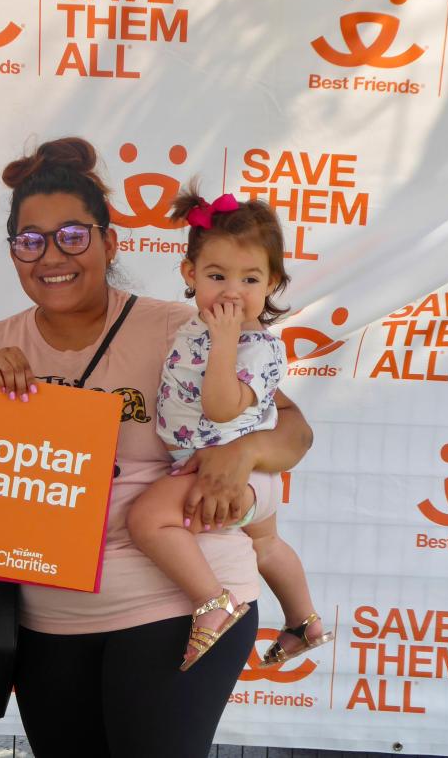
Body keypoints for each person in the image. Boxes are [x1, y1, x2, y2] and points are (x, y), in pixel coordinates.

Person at [0, 137, 312, 757]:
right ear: (13, 252)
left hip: (180, 606)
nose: (51, 256)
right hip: (48, 623)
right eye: (30, 240)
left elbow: (294, 430)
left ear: (110, 242)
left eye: (72, 235)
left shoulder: (183, 328)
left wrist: (247, 454)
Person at [126, 186, 332, 673]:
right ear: (190, 275)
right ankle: (305, 623)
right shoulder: (195, 327)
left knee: (147, 518)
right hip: (231, 468)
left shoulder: (254, 346)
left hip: (233, 470)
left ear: (272, 283)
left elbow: (220, 408)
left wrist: (223, 343)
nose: (232, 292)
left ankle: (212, 602)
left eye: (250, 278)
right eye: (217, 276)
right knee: (265, 545)